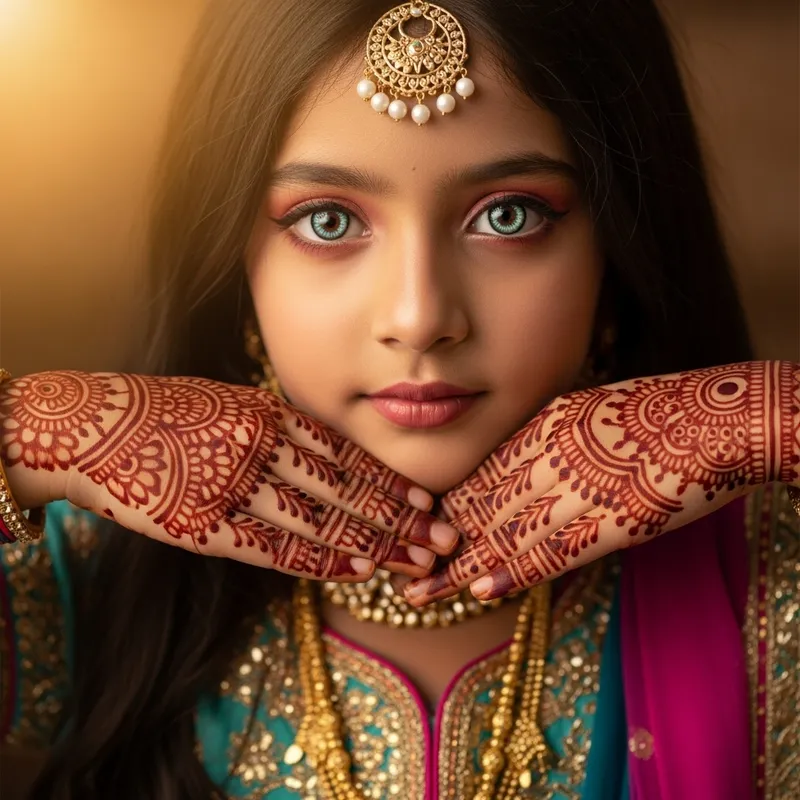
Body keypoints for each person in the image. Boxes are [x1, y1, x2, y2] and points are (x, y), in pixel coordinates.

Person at [0, 0, 797, 798]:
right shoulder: (100, 559)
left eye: (508, 216)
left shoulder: (763, 566)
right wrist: (29, 434)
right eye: (328, 220)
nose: (418, 317)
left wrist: (774, 414)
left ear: (619, 250)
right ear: (234, 262)